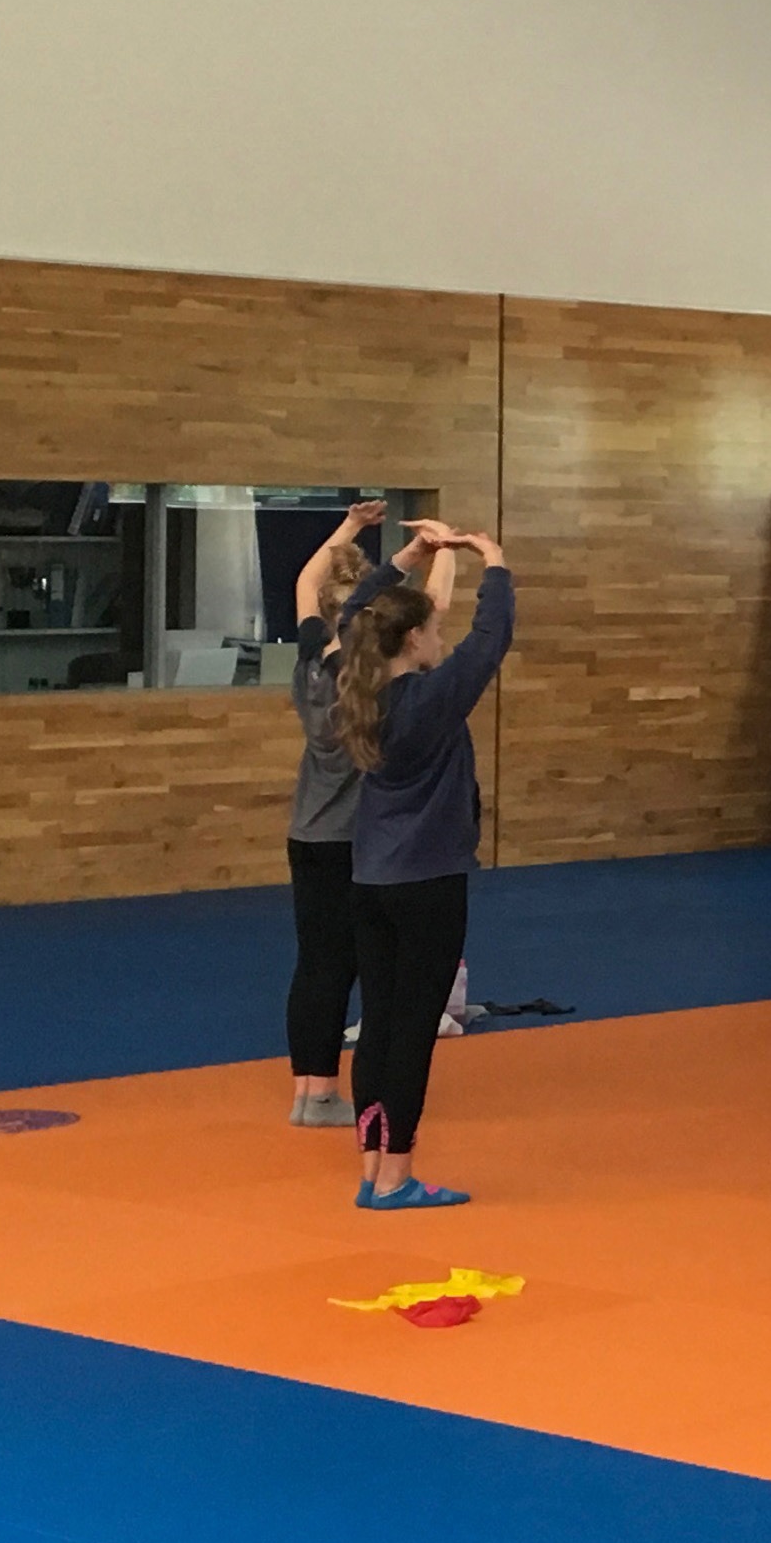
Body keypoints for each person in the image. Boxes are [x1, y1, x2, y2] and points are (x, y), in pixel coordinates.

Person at [334, 523, 514, 1209]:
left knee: (379, 1022)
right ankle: (397, 1173)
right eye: (431, 633)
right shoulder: (429, 703)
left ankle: (372, 1164)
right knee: (412, 1030)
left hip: (372, 879)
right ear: (412, 642)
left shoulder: (356, 689)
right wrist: (492, 562)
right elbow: (489, 641)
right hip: (428, 882)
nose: (440, 641)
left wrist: (408, 560)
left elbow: (355, 615)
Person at [283, 502, 395, 1129]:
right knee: (349, 966)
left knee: (314, 963)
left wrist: (349, 529)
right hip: (353, 840)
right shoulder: (368, 685)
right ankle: (326, 1095)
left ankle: (309, 1089)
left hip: (307, 834)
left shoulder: (307, 666)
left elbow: (304, 581)